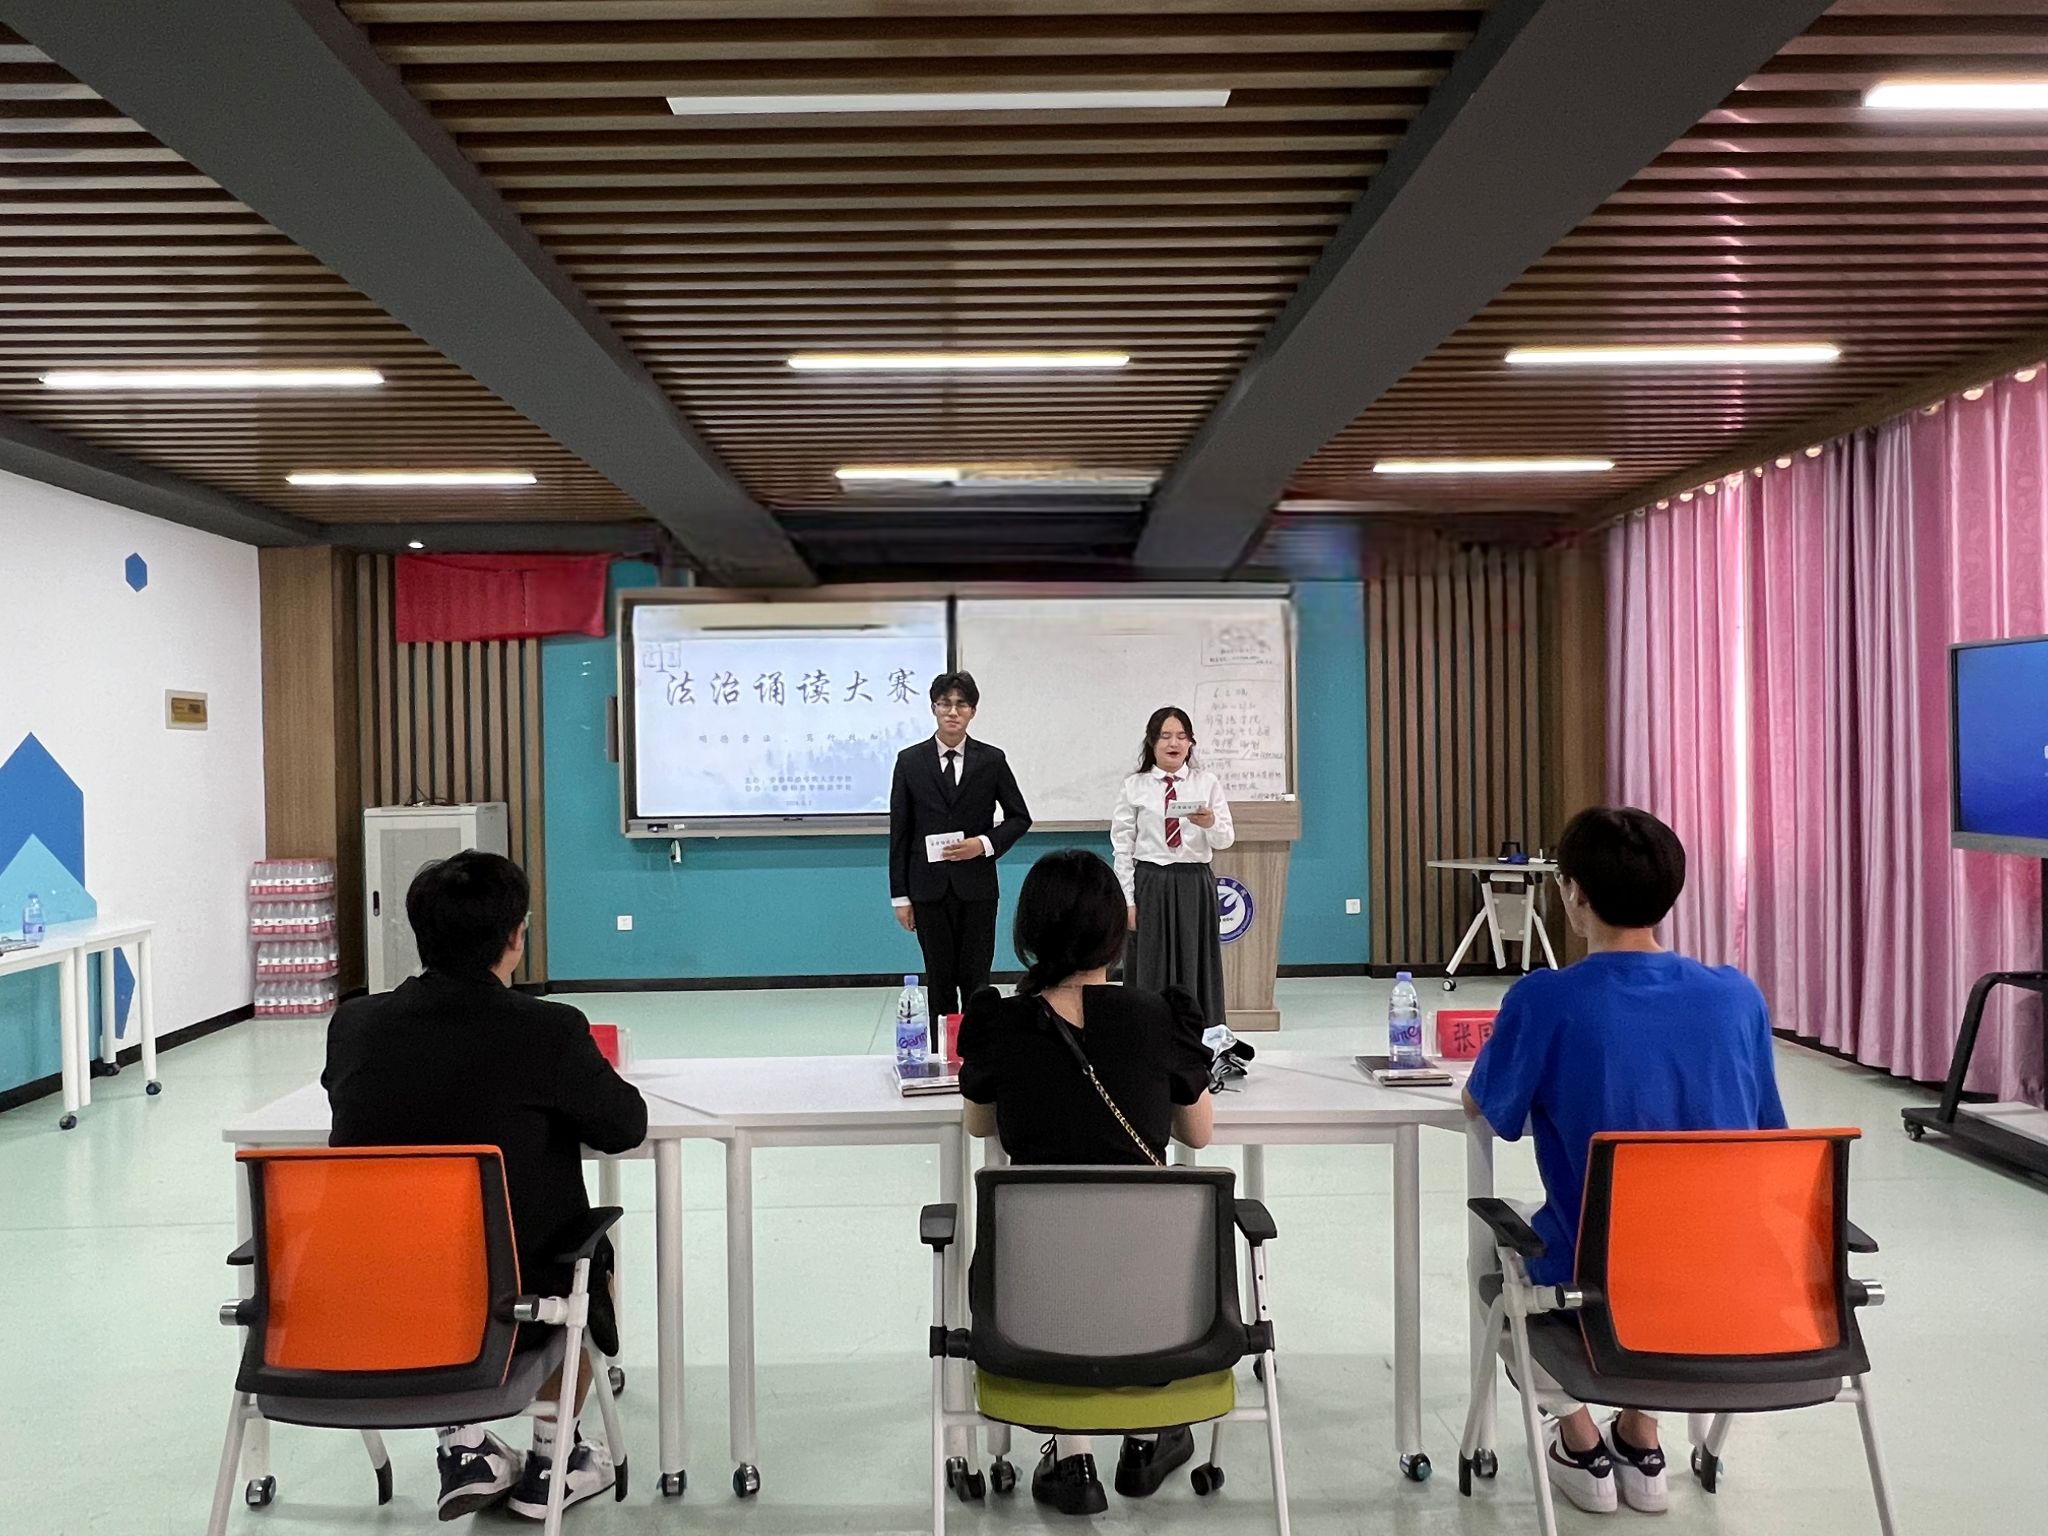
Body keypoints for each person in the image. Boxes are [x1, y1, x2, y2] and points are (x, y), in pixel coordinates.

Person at [1463, 807, 1787, 1518]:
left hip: (1594, 1283)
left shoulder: (1545, 999)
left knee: (1493, 1249)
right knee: (1673, 1237)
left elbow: (1483, 1107)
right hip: (1728, 1280)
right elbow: (1767, 1132)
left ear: (1573, 894)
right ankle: (1641, 1437)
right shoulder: (1738, 997)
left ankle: (1578, 1439)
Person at [324, 851, 648, 1523]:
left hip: (382, 1293)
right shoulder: (548, 1030)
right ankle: (554, 1459)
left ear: (420, 934)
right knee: (584, 1261)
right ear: (515, 937)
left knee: (431, 1247)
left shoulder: (354, 1025)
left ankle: (465, 1448)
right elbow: (625, 1126)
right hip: (517, 1299)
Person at [957, 849, 1215, 1517]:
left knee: (1062, 1260)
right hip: (1160, 1305)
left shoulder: (1001, 1023)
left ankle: (1072, 1459)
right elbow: (1199, 1134)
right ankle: (1144, 1438)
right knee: (1126, 1253)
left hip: (1030, 1307)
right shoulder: (1158, 1017)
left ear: (1029, 931)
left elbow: (981, 1123)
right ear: (1114, 932)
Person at [887, 670, 1033, 1018]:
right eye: (945, 704)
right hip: (928, 889)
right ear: (933, 708)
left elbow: (1019, 817)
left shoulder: (991, 760)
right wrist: (900, 897)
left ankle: (975, 1047)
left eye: (961, 705)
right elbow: (900, 833)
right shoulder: (910, 761)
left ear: (972, 711)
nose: (953, 712)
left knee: (977, 981)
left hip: (977, 888)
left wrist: (982, 844)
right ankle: (942, 1048)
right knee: (939, 980)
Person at [1110, 705, 1234, 1028]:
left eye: (1181, 736)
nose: (1173, 743)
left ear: (1191, 743)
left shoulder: (1206, 783)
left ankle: (1198, 1035)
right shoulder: (1134, 786)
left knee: (1196, 962)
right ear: (1152, 742)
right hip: (1151, 882)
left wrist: (1209, 823)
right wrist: (1127, 900)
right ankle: (1148, 1033)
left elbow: (1225, 839)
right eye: (1165, 736)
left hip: (1194, 883)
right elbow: (1122, 847)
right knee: (1150, 963)